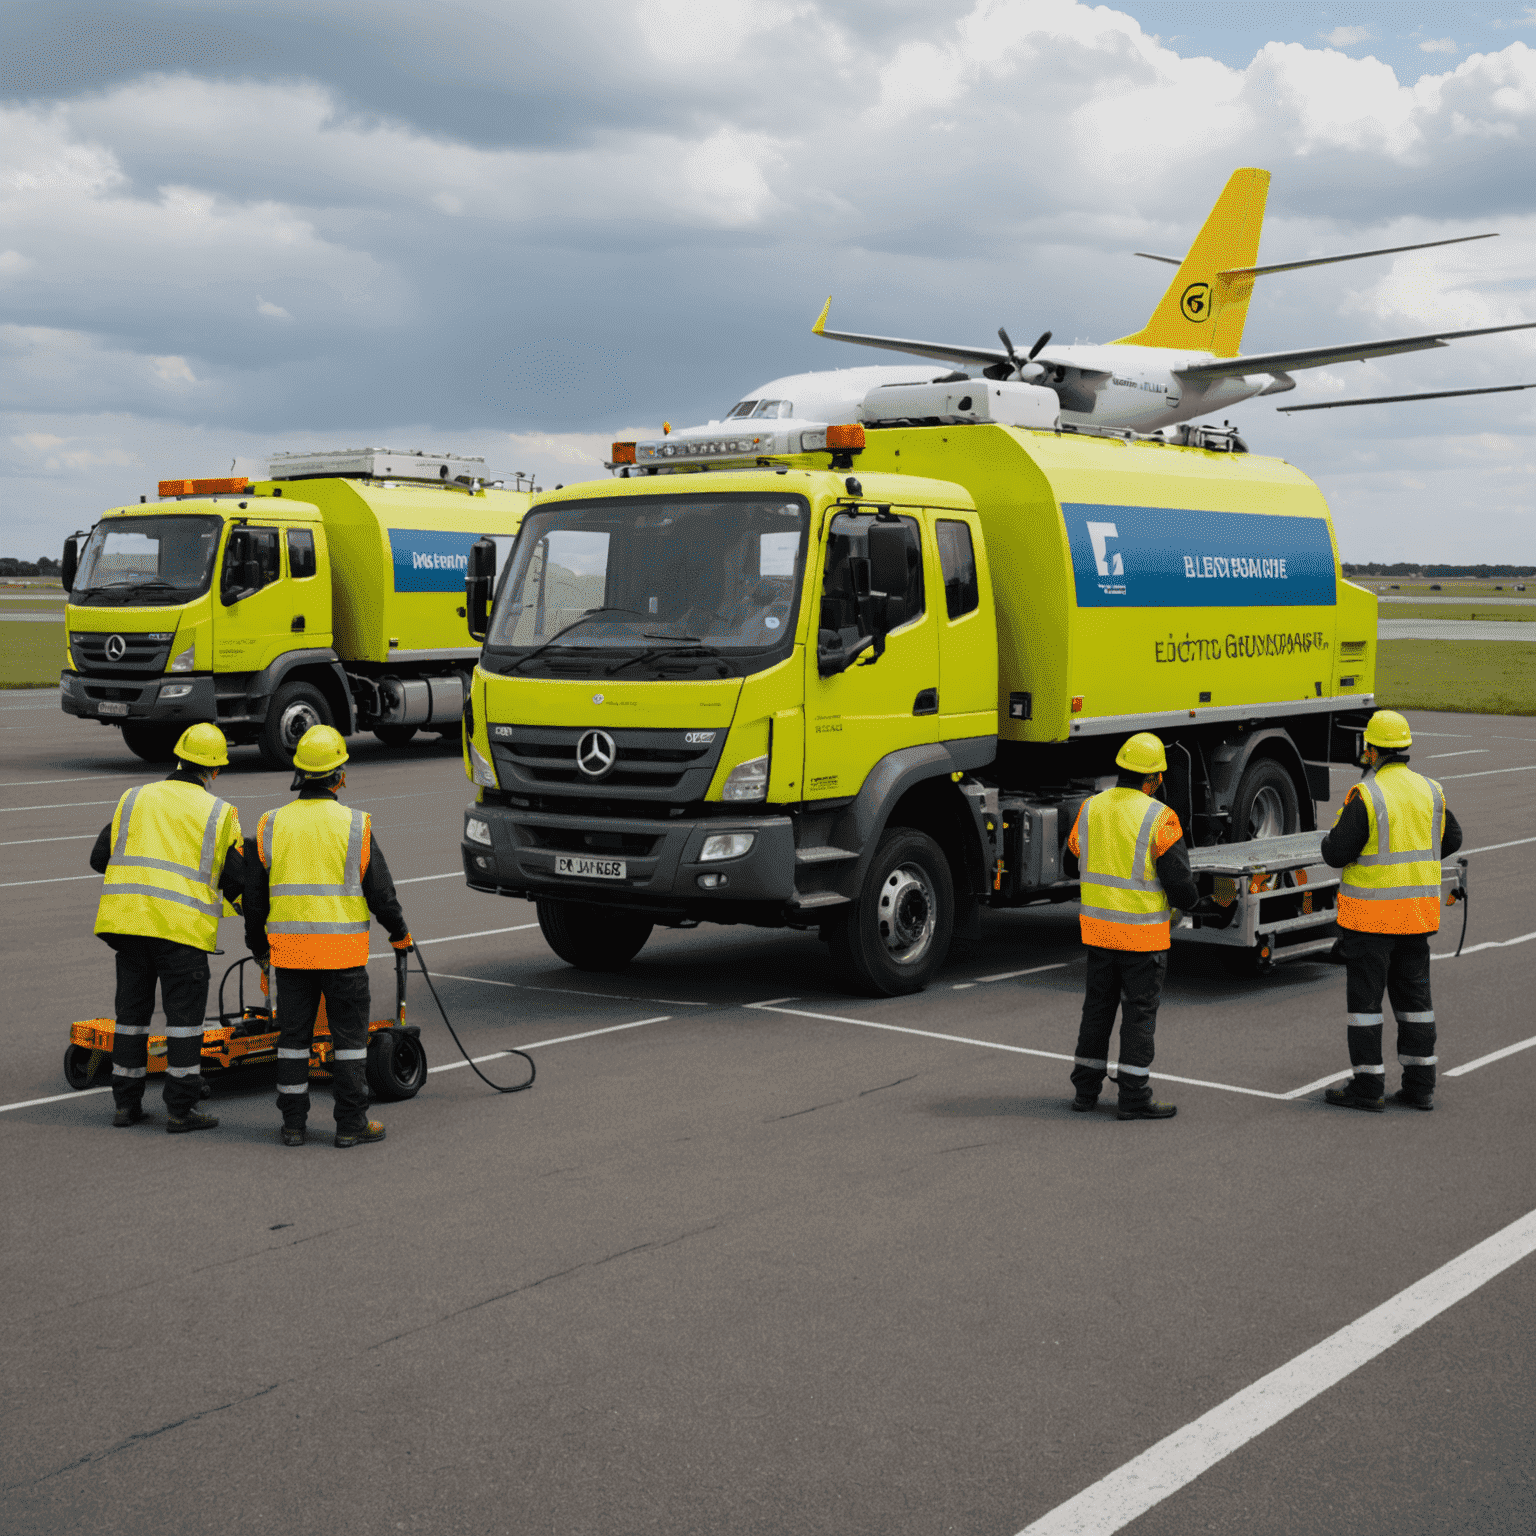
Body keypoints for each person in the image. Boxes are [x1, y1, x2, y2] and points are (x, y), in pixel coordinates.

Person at [244, 725, 412, 1148]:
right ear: (339, 775)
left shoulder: (270, 824)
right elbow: (381, 894)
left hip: (292, 956)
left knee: (293, 1043)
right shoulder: (355, 825)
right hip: (343, 956)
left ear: (300, 773)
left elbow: (254, 899)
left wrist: (259, 947)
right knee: (350, 1044)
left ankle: (293, 1126)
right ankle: (351, 1125)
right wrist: (400, 933)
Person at [90, 722, 244, 1132]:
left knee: (131, 1018)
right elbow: (238, 881)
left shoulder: (135, 798)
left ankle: (126, 1105)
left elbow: (97, 857)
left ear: (178, 757)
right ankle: (180, 1109)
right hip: (181, 932)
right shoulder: (218, 813)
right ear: (214, 772)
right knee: (184, 1022)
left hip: (129, 924)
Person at [1320, 709, 1461, 1112]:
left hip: (1369, 921)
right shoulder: (1430, 790)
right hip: (1415, 918)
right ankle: (1420, 1087)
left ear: (1371, 750)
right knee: (1416, 1004)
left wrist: (1332, 840)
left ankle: (1367, 1088)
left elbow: (1336, 852)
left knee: (1366, 1008)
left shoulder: (1367, 794)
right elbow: (1451, 837)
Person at [1063, 732, 1199, 1120]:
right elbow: (1178, 882)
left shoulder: (1090, 808)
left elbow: (1073, 863)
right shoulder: (1161, 817)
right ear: (1154, 779)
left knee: (1097, 1011)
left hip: (1099, 934)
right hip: (1142, 939)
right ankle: (1134, 1097)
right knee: (1138, 1017)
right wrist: (1196, 903)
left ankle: (1085, 1092)